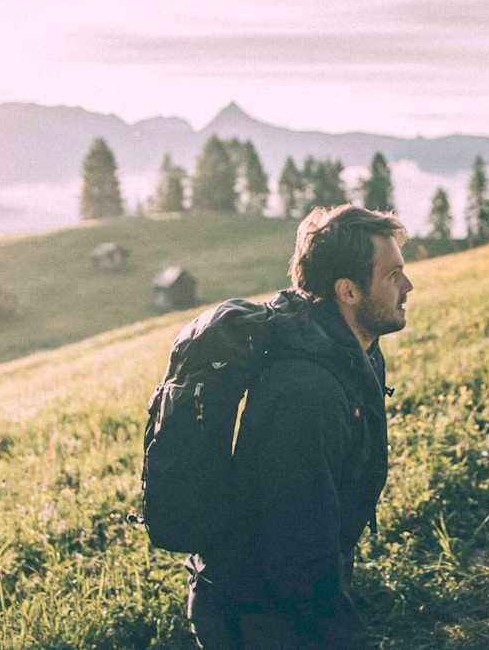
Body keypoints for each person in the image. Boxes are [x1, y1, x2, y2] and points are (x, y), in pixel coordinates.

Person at [187, 204, 412, 649]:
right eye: (393, 276)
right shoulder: (307, 394)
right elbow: (297, 547)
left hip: (282, 602)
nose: (408, 286)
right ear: (348, 291)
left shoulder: (351, 353)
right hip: (255, 619)